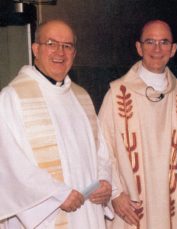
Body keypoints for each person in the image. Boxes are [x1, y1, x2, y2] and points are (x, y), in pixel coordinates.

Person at [0, 19, 112, 228]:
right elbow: (9, 165)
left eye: (67, 46)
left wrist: (104, 182)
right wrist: (57, 195)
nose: (60, 52)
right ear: (35, 49)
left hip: (87, 214)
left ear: (74, 54)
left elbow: (101, 152)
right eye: (51, 43)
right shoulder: (13, 97)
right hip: (45, 218)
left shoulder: (82, 97)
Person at [98, 20, 177, 229]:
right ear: (139, 47)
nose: (157, 49)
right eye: (150, 42)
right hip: (130, 206)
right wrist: (115, 194)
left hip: (171, 204)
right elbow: (102, 149)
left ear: (173, 50)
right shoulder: (117, 94)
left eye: (164, 42)